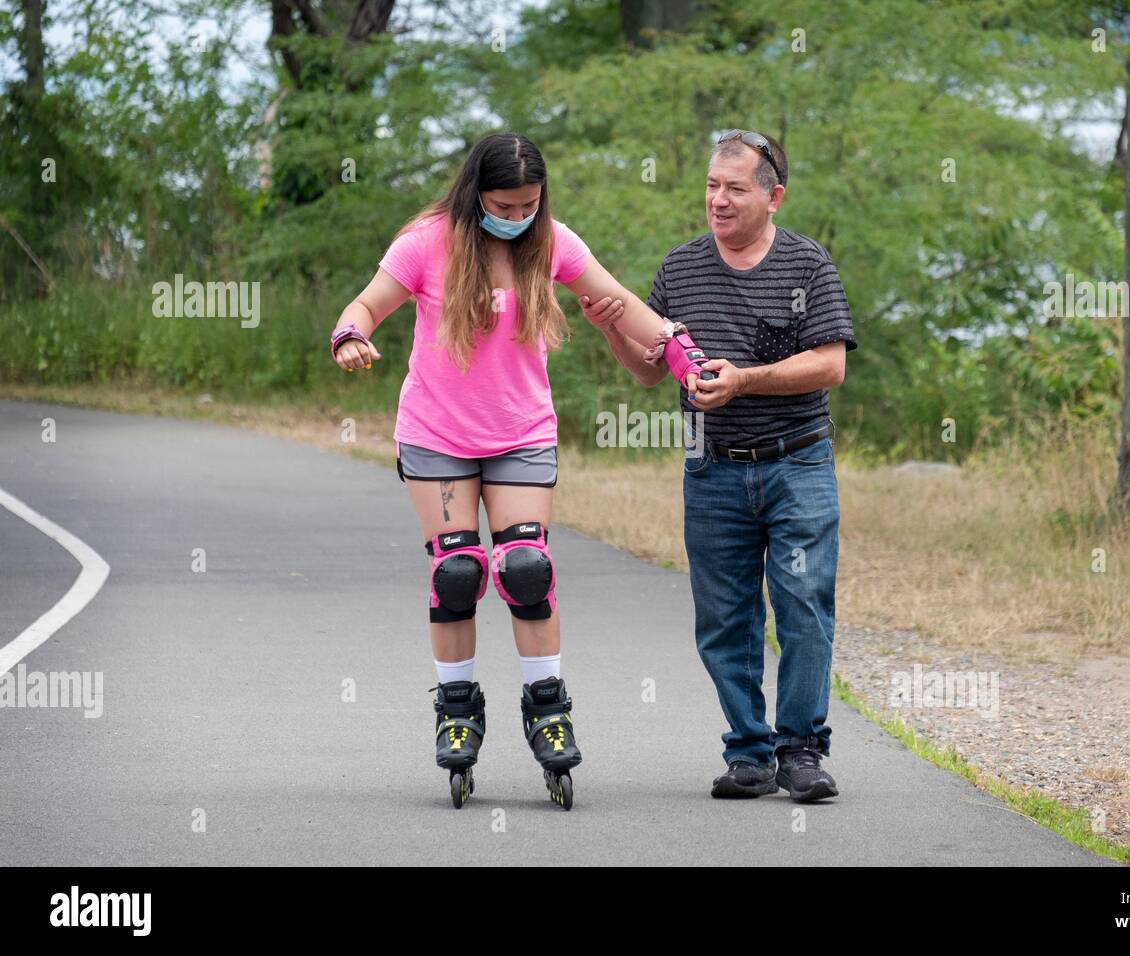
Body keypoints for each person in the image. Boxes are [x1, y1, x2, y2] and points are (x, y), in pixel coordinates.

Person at [328, 132, 717, 809]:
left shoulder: (552, 241)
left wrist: (680, 354)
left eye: (529, 203)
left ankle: (547, 705)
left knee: (525, 569)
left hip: (521, 433)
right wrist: (352, 337)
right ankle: (456, 708)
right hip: (437, 434)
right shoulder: (426, 243)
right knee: (456, 573)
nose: (516, 215)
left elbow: (623, 303)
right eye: (504, 204)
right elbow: (365, 306)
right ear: (476, 194)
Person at [582, 129, 857, 802]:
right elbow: (650, 373)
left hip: (798, 466)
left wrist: (745, 380)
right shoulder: (680, 269)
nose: (719, 200)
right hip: (713, 472)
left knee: (802, 608)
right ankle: (748, 754)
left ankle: (801, 751)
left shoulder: (807, 264)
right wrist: (612, 327)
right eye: (711, 186)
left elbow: (831, 364)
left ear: (774, 197)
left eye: (735, 188)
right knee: (725, 618)